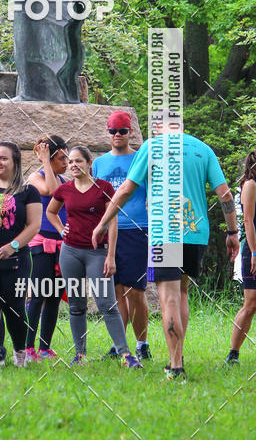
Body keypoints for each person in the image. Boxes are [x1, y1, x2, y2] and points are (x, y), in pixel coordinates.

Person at [92, 121, 239, 379]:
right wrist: (232, 233)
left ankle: (176, 366)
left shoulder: (153, 147)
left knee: (168, 298)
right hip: (195, 234)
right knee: (182, 293)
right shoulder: (203, 149)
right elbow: (225, 195)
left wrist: (103, 222)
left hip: (164, 236)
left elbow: (127, 188)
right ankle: (177, 357)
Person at [46, 146, 142, 368]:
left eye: (79, 161)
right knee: (76, 305)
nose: (73, 165)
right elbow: (50, 211)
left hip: (97, 253)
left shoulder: (104, 188)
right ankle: (80, 354)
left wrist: (111, 256)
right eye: (70, 162)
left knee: (107, 304)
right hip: (70, 253)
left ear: (90, 163)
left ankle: (125, 355)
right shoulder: (65, 189)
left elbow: (113, 222)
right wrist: (61, 230)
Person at [92, 112, 151, 361]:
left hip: (136, 228)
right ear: (107, 132)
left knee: (135, 290)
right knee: (116, 290)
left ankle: (142, 344)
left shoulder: (141, 158)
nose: (117, 135)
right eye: (112, 131)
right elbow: (94, 198)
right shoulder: (99, 163)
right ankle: (121, 345)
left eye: (122, 131)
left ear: (131, 132)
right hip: (107, 230)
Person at [0, 142, 42, 367]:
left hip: (17, 260)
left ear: (15, 162)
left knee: (15, 307)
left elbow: (34, 225)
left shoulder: (28, 191)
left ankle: (20, 353)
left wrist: (13, 246)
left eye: (3, 158)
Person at [26, 134, 69, 360]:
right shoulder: (36, 176)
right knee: (39, 294)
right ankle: (27, 346)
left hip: (61, 244)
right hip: (40, 244)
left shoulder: (63, 180)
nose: (66, 162)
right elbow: (51, 192)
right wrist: (44, 161)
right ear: (50, 159)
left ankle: (44, 347)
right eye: (61, 158)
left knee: (54, 297)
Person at [225, 151, 256, 365]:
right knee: (251, 304)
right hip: (253, 250)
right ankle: (233, 354)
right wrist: (254, 252)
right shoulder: (251, 185)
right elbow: (247, 220)